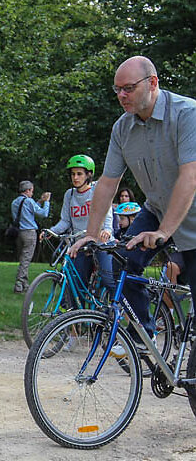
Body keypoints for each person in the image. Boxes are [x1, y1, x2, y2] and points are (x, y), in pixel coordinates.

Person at [70, 55, 196, 349]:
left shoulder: (187, 114)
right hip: (157, 210)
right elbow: (108, 183)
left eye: (128, 88)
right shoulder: (122, 128)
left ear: (152, 83)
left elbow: (190, 177)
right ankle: (144, 334)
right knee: (121, 264)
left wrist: (163, 232)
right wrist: (91, 233)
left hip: (192, 218)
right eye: (117, 89)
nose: (121, 95)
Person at [43, 155, 114, 290]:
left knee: (108, 280)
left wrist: (107, 230)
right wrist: (51, 231)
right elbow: (65, 221)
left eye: (79, 174)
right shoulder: (69, 195)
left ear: (89, 175)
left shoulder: (97, 190)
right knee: (75, 283)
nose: (75, 177)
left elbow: (107, 213)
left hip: (101, 241)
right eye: (73, 174)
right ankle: (77, 305)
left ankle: (118, 303)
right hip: (80, 244)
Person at [11, 181, 51, 293]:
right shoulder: (29, 201)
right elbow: (43, 214)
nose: (32, 193)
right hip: (29, 233)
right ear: (28, 190)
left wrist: (40, 201)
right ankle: (19, 285)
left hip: (19, 233)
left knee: (23, 259)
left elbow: (27, 211)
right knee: (25, 260)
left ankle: (25, 285)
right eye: (32, 191)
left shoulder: (15, 202)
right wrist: (46, 202)